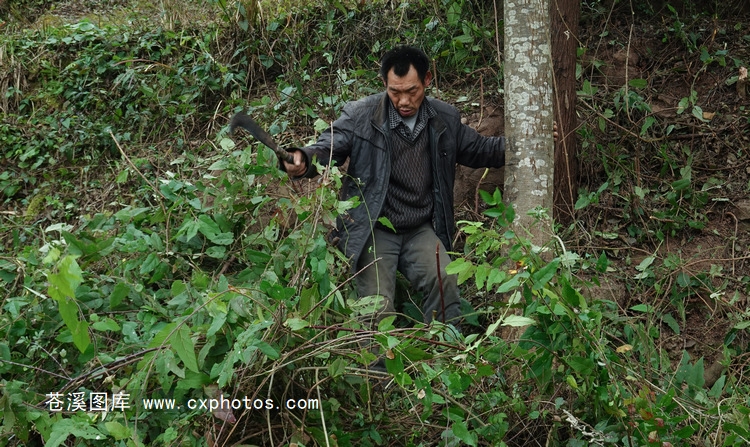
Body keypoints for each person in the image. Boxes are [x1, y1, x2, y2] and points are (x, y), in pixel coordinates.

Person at [281, 46, 508, 332]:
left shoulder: (444, 118)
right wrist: (303, 158)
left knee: (445, 282)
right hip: (374, 227)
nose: (404, 101)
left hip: (419, 227)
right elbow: (329, 146)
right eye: (395, 92)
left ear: (427, 80)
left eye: (412, 91)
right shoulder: (361, 115)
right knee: (376, 308)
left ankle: (445, 350)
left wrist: (529, 142)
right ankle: (377, 361)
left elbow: (480, 149)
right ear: (384, 84)